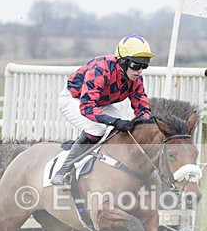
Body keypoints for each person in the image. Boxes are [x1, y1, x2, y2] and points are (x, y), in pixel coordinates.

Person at [50, 34, 155, 187]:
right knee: (97, 128)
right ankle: (63, 171)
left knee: (127, 130)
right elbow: (87, 107)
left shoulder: (136, 78)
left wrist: (145, 125)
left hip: (100, 102)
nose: (139, 71)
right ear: (123, 62)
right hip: (75, 99)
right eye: (136, 65)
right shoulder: (100, 68)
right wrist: (114, 121)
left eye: (144, 66)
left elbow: (142, 107)